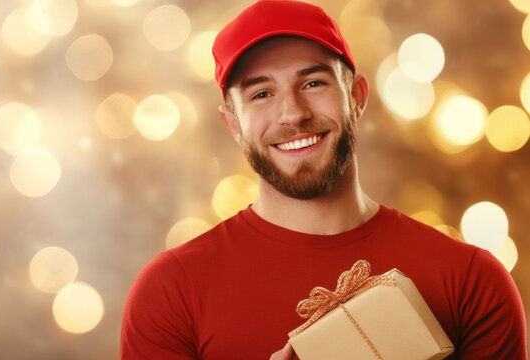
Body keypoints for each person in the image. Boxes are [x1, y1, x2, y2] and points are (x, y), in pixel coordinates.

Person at [119, 0, 528, 359]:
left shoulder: (470, 280)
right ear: (232, 124)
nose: (293, 113)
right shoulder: (171, 293)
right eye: (261, 94)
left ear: (357, 97)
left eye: (313, 83)